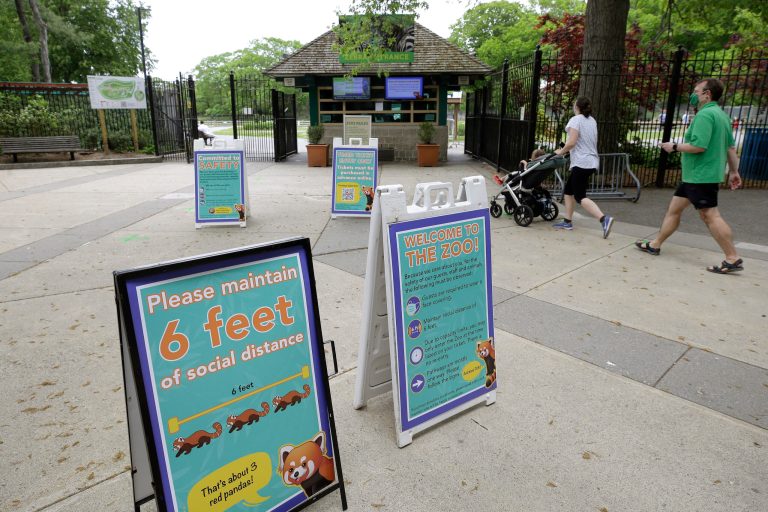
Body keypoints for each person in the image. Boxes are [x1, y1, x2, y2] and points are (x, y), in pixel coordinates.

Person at [636, 78, 743, 274]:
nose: (693, 94)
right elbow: (730, 147)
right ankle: (656, 243)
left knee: (710, 215)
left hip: (700, 175)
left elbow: (698, 147)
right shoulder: (721, 116)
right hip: (694, 176)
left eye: (696, 91)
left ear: (707, 94)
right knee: (674, 209)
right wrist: (734, 172)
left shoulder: (705, 115)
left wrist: (674, 147)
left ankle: (732, 257)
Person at [552, 96, 614, 238]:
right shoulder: (591, 121)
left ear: (577, 107)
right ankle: (567, 221)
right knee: (568, 190)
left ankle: (604, 219)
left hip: (582, 162)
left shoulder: (576, 119)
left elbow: (572, 142)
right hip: (590, 161)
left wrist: (560, 152)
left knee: (580, 196)